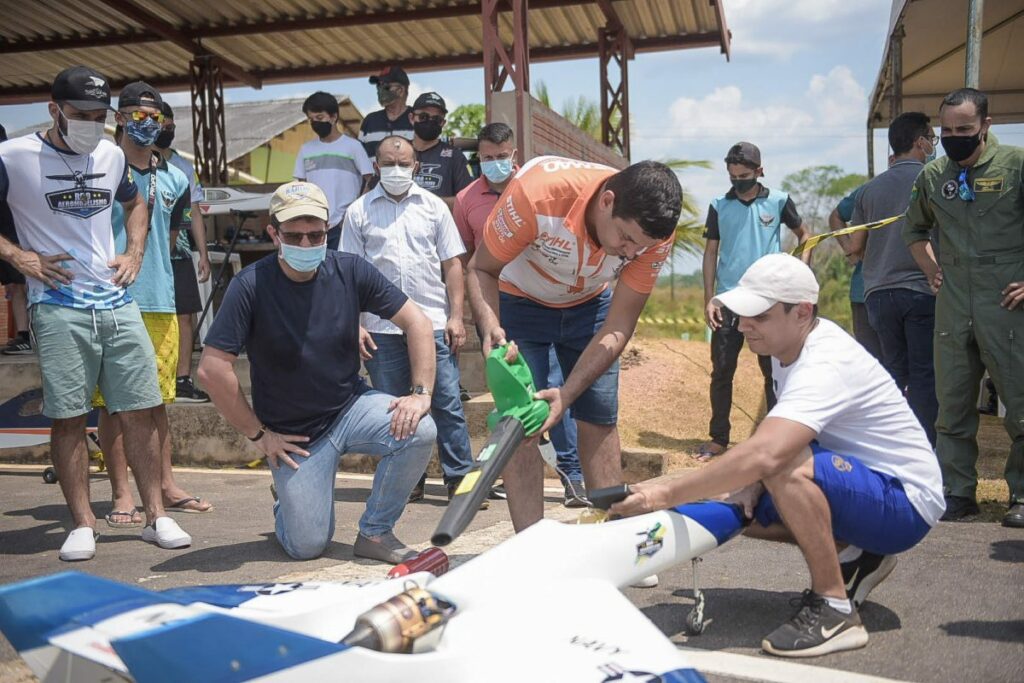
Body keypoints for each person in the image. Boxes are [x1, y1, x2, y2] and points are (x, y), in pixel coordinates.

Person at [611, 253, 945, 658]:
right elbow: (776, 426)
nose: (745, 324)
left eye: (760, 315)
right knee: (733, 503)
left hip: (905, 503)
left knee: (781, 464)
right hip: (868, 487)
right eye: (743, 313)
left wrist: (661, 495)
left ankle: (836, 610)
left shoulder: (826, 361)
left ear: (802, 312)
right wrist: (746, 486)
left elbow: (770, 451)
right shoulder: (785, 348)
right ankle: (858, 553)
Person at [0, 66, 190, 561]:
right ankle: (83, 522)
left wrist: (133, 251)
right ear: (53, 110)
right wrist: (20, 257)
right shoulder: (13, 156)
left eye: (98, 116)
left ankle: (156, 517)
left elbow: (137, 205)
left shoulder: (109, 154)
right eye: (80, 115)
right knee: (67, 417)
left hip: (116, 300)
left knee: (142, 410)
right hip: (57, 305)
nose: (91, 124)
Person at [197, 181, 437, 563]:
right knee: (306, 546)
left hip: (349, 407)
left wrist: (421, 394)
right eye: (295, 236)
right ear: (274, 233)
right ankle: (287, 504)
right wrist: (260, 436)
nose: (307, 245)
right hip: (293, 435)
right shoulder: (250, 286)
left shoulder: (350, 270)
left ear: (329, 231)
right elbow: (211, 370)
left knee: (419, 429)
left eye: (316, 235)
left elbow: (418, 322)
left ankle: (375, 532)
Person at [467, 155, 681, 533]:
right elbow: (480, 268)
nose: (630, 254)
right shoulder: (537, 195)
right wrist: (491, 330)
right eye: (626, 239)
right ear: (607, 201)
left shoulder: (654, 236)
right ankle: (531, 543)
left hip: (591, 307)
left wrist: (566, 395)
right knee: (522, 420)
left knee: (599, 415)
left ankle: (612, 534)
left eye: (640, 248)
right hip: (520, 299)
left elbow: (618, 327)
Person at [93, 81, 213, 529]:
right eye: (137, 116)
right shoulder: (98, 168)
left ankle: (166, 485)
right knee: (112, 405)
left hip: (160, 301)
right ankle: (122, 492)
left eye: (154, 117)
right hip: (110, 298)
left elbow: (170, 239)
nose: (147, 124)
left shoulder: (177, 176)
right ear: (119, 118)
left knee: (159, 402)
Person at [903, 87, 1024, 527]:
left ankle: (1022, 495)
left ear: (986, 126)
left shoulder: (1016, 165)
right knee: (951, 402)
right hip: (953, 301)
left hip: (1007, 300)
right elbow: (912, 231)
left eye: (965, 130)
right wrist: (931, 271)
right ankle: (957, 492)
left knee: (1020, 400)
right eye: (947, 130)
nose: (956, 138)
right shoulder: (934, 176)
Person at [453, 122, 587, 507]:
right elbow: (469, 259)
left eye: (501, 157)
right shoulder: (466, 200)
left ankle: (573, 475)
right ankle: (517, 482)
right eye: (487, 158)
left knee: (557, 388)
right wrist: (480, 317)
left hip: (551, 299)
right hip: (505, 308)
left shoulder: (531, 188)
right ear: (477, 158)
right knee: (518, 398)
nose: (494, 164)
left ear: (515, 155)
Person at [343, 136, 476, 506]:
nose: (397, 170)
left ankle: (461, 482)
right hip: (381, 330)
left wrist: (456, 316)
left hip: (433, 323)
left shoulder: (434, 208)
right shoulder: (359, 212)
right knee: (393, 409)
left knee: (447, 403)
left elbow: (453, 265)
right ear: (375, 166)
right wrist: (355, 324)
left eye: (404, 164)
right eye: (389, 163)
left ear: (416, 167)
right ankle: (408, 482)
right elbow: (348, 273)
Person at [698, 142, 811, 460]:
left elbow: (805, 235)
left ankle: (775, 438)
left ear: (759, 171)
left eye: (744, 176)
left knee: (771, 372)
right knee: (722, 370)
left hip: (768, 300)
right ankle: (718, 439)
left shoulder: (778, 201)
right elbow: (711, 253)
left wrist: (799, 272)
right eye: (733, 177)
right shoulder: (719, 204)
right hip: (729, 300)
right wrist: (710, 299)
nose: (738, 182)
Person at [849, 112, 938, 446]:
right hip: (921, 290)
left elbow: (856, 247)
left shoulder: (867, 191)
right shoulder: (933, 179)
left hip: (878, 295)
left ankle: (888, 444)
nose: (933, 145)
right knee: (924, 375)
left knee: (891, 373)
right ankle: (923, 447)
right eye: (932, 138)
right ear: (920, 142)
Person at [153, 102, 212, 402]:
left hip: (179, 255)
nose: (166, 130)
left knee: (185, 316)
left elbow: (195, 213)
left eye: (170, 125)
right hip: (147, 258)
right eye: (161, 124)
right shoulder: (129, 162)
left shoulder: (183, 166)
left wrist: (203, 253)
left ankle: (183, 379)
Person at [294, 91, 374, 251]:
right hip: (316, 225)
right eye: (311, 119)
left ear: (333, 117)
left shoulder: (353, 146)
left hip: (345, 224)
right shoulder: (306, 149)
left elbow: (370, 179)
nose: (314, 123)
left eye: (319, 118)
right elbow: (301, 186)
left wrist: (352, 212)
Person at [828, 186, 883, 360]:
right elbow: (836, 216)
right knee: (871, 362)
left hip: (915, 290)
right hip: (865, 293)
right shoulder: (870, 191)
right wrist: (849, 250)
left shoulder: (929, 186)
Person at [409, 92, 473, 209]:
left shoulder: (455, 157)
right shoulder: (396, 153)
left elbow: (467, 200)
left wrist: (425, 201)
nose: (429, 122)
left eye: (436, 119)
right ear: (412, 118)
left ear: (443, 123)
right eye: (423, 117)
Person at [359, 66, 414, 158]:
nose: (380, 90)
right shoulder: (370, 121)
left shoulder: (418, 118)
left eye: (386, 86)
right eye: (378, 86)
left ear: (401, 90)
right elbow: (360, 159)